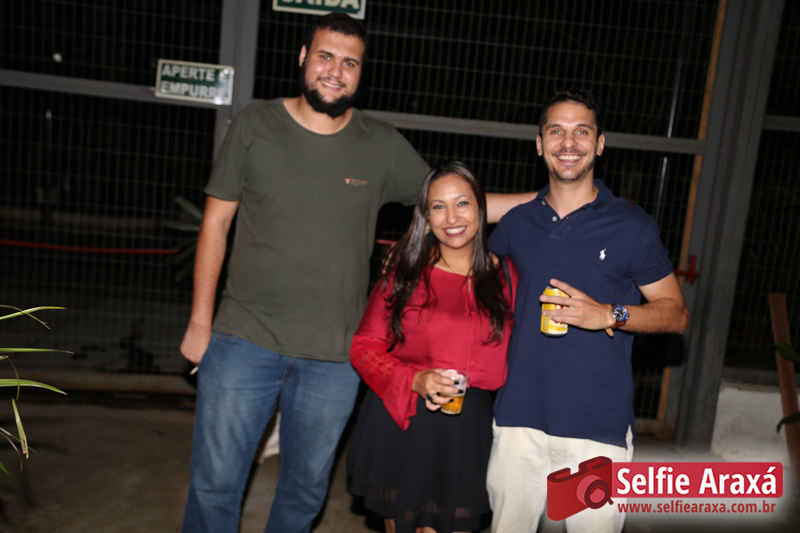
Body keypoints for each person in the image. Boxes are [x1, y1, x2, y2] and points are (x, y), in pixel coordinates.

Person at [179, 14, 532, 533]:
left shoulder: (379, 144)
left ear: (361, 73)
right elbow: (215, 224)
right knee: (215, 484)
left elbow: (454, 203)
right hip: (243, 339)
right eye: (325, 56)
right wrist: (199, 322)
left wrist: (552, 200)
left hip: (334, 357)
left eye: (350, 63)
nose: (335, 71)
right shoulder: (256, 124)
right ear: (303, 57)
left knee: (305, 489)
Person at [485, 89, 690, 533]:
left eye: (581, 131)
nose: (568, 143)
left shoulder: (631, 226)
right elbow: (472, 279)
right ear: (539, 143)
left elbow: (676, 314)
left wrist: (610, 314)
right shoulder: (517, 223)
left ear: (600, 144)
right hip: (518, 418)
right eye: (556, 131)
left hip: (596, 428)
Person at [347, 161, 517, 533]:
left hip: (468, 429)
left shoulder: (506, 275)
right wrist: (413, 379)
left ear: (481, 208)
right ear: (426, 216)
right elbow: (363, 346)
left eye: (462, 203)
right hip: (405, 420)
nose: (451, 217)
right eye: (438, 206)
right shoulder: (406, 271)